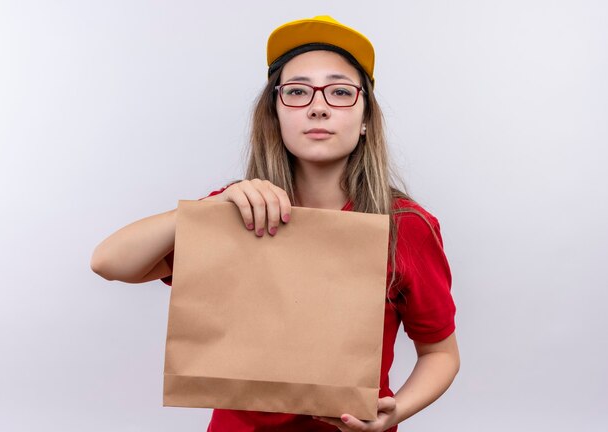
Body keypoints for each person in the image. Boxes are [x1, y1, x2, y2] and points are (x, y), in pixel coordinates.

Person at [91, 15, 459, 432]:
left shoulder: (406, 226)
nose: (318, 106)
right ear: (275, 116)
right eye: (297, 92)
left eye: (340, 91)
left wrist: (398, 410)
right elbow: (109, 262)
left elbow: (440, 352)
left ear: (366, 120)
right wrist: (205, 212)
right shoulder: (240, 210)